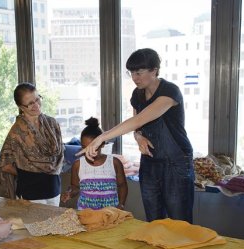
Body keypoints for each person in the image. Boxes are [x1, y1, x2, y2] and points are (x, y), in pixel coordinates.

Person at [79, 48, 195, 222]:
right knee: (154, 219)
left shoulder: (170, 92)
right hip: (149, 161)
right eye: (131, 73)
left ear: (154, 70)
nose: (134, 78)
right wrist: (139, 137)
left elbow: (140, 119)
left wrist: (102, 137)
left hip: (176, 162)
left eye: (139, 72)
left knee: (180, 221)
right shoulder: (137, 94)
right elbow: (137, 127)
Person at [0, 82, 64, 206]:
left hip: (54, 189)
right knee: (33, 225)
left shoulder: (52, 123)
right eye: (30, 104)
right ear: (21, 107)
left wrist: (39, 168)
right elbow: (4, 164)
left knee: (54, 225)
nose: (36, 105)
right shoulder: (16, 132)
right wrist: (26, 172)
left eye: (37, 99)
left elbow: (60, 155)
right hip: (30, 193)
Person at [61, 117, 128, 210]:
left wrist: (121, 204)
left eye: (93, 147)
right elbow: (75, 186)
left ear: (102, 144)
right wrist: (70, 193)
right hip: (85, 213)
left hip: (110, 213)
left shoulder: (114, 163)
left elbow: (122, 186)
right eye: (85, 147)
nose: (88, 151)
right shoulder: (78, 165)